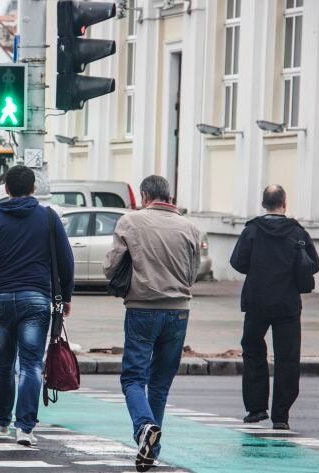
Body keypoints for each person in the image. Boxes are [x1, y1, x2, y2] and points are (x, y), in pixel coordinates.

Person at [103, 175, 201, 472]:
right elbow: (193, 273)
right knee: (160, 383)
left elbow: (111, 266)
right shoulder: (190, 227)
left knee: (133, 378)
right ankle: (152, 449)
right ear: (169, 196)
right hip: (179, 312)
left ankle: (145, 428)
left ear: (144, 195)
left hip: (142, 309)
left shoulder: (130, 222)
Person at [0, 165, 74, 447]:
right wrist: (65, 296)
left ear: (6, 189)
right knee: (31, 365)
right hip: (37, 298)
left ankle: (0, 420)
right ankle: (25, 427)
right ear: (33, 188)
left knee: (2, 363)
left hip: (1, 299)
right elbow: (66, 260)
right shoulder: (48, 218)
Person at [230, 184, 319, 431]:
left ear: (263, 204)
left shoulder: (252, 231)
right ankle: (281, 415)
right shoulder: (297, 232)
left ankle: (256, 408)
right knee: (287, 358)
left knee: (252, 349)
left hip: (257, 302)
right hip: (288, 304)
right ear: (285, 202)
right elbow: (315, 265)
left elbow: (237, 262)